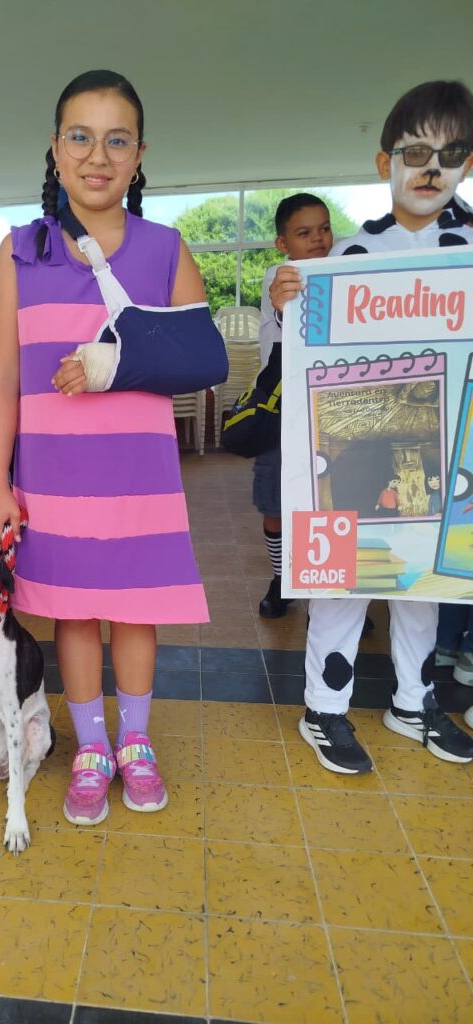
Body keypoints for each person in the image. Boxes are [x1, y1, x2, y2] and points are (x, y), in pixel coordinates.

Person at [0, 69, 210, 826]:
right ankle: (91, 748)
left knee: (136, 612)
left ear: (139, 154)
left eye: (117, 140)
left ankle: (135, 743)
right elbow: (3, 376)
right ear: (56, 147)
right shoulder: (19, 252)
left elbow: (201, 357)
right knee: (72, 615)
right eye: (80, 137)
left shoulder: (166, 248)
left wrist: (116, 365)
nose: (97, 156)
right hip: (53, 475)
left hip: (140, 475)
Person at [271, 80, 473, 772]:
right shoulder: (349, 258)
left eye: (450, 154)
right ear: (385, 161)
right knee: (343, 583)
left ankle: (414, 701)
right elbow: (304, 357)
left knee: (427, 585)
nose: (431, 169)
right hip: (355, 452)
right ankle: (324, 710)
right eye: (415, 153)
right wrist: (288, 301)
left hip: (444, 453)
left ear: (467, 163)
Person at [256, 194, 333, 618]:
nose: (318, 239)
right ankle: (282, 577)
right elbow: (287, 331)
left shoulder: (343, 272)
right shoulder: (280, 278)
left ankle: (334, 589)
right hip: (282, 412)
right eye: (304, 233)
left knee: (331, 501)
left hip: (332, 410)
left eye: (324, 229)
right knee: (276, 506)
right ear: (282, 243)